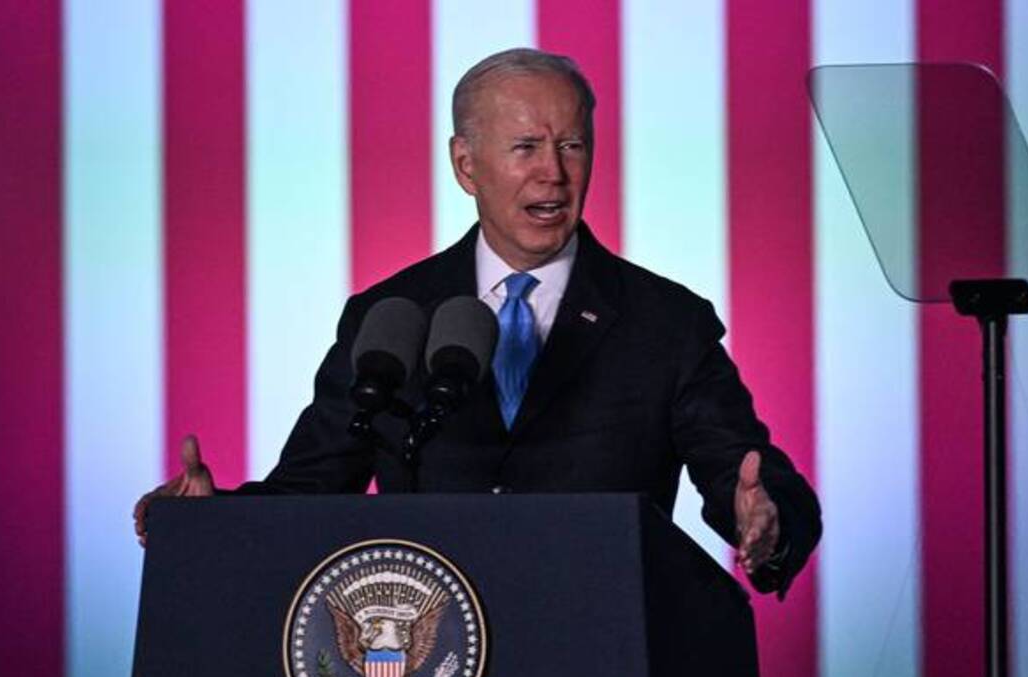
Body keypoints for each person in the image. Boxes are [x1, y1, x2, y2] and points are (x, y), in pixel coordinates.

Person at [135, 48, 820, 597]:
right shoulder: (390, 316)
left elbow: (748, 474)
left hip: (604, 651)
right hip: (429, 665)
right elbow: (311, 488)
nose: (554, 173)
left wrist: (765, 520)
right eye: (526, 147)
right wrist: (208, 520)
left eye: (572, 145)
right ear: (466, 165)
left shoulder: (665, 321)